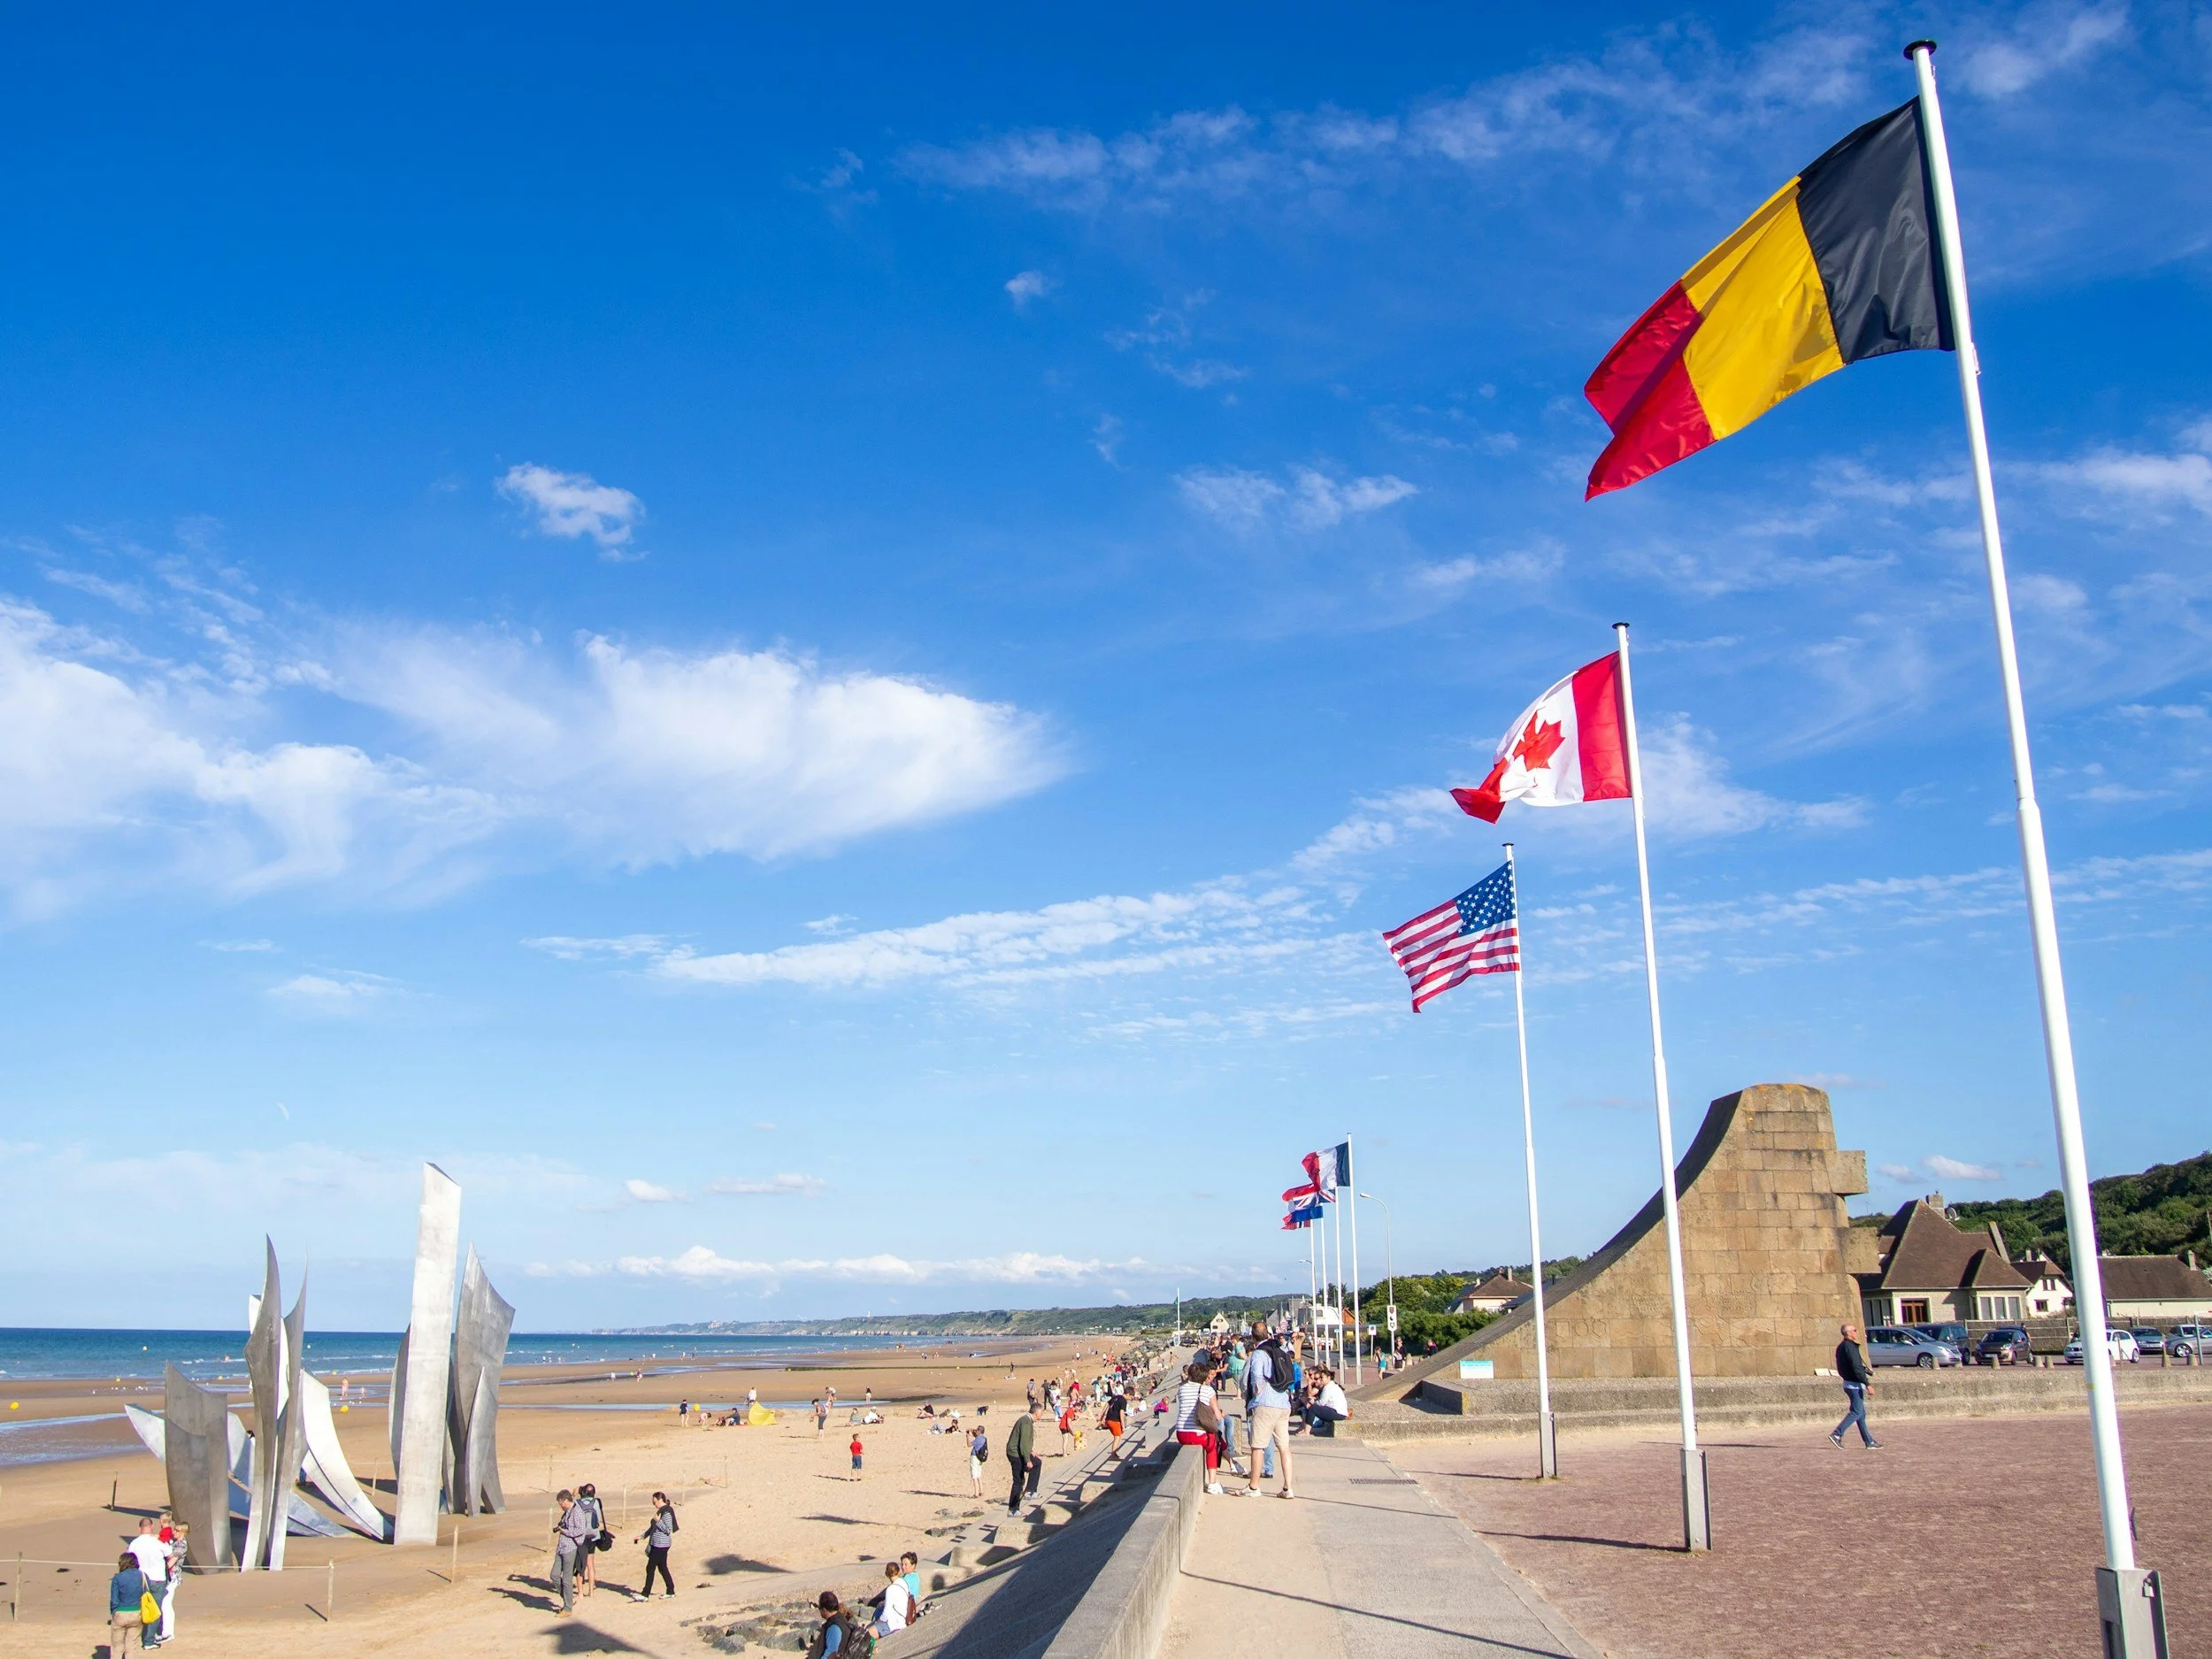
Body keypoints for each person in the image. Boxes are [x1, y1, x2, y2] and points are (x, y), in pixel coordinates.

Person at [1237, 1327, 1295, 1499]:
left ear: (1253, 1337)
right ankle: (1287, 1488)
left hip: (1265, 1404)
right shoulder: (1280, 1349)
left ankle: (1254, 1487)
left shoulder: (1259, 1354)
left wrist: (1254, 1396)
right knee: (1284, 1447)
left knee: (1258, 1447)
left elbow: (1255, 1378)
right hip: (1283, 1404)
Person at [1171, 1359, 1225, 1495]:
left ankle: (1212, 1482)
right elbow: (1218, 1416)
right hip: (1198, 1435)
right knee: (1213, 1446)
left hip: (1181, 1433)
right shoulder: (1208, 1390)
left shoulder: (1182, 1389)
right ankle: (1212, 1482)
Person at [1831, 1323, 1882, 1450]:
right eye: (1854, 1330)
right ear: (1848, 1333)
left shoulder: (1843, 1346)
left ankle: (1868, 1441)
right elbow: (1856, 1367)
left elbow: (1852, 1366)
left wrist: (1866, 1370)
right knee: (1857, 1412)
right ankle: (1837, 1434)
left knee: (1861, 1414)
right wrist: (1867, 1384)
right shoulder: (1849, 1347)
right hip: (1854, 1385)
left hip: (1849, 1383)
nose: (1856, 1332)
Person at [551, 1488, 592, 1615]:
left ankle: (568, 1608)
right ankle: (568, 1599)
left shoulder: (577, 1511)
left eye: (560, 1503)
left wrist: (565, 1531)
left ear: (565, 1501)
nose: (560, 1506)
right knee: (554, 1575)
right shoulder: (567, 1511)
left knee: (567, 1579)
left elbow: (580, 1531)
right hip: (561, 1547)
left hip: (571, 1548)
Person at [634, 1490, 679, 1601]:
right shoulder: (661, 1511)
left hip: (661, 1545)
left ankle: (645, 1594)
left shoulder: (667, 1512)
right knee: (662, 1567)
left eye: (654, 1502)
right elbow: (652, 1529)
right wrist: (641, 1537)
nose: (653, 1504)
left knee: (650, 1568)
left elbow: (668, 1530)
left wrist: (658, 1521)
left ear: (660, 1500)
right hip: (656, 1544)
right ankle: (670, 1590)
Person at [108, 1550, 151, 1658]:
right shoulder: (143, 1576)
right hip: (137, 1612)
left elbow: (114, 1600)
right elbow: (147, 1593)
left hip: (120, 1613)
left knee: (117, 1647)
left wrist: (114, 1611)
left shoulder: (117, 1578)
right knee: (132, 1646)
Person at [807, 1589, 869, 1659]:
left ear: (824, 1610)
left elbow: (830, 1654)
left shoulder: (834, 1627)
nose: (820, 1611)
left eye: (820, 1608)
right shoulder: (842, 1619)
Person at [1004, 1402, 1040, 1515]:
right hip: (1015, 1454)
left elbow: (1025, 1442)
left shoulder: (1028, 1421)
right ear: (1036, 1412)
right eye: (1041, 1413)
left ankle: (1030, 1491)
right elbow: (1023, 1443)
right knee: (1018, 1481)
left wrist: (1031, 1452)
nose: (1042, 1415)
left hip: (1020, 1452)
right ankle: (1013, 1509)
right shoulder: (1025, 1422)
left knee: (1037, 1463)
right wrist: (1028, 1460)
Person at [576, 1482, 606, 1596]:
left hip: (581, 1537)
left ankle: (580, 1593)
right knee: (591, 1565)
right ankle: (591, 1592)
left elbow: (569, 1511)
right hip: (593, 1536)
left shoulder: (577, 1503)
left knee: (580, 1566)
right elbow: (599, 1520)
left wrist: (574, 1495)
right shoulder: (596, 1503)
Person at [1303, 1366, 1350, 1438]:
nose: (1321, 1379)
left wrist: (1314, 1402)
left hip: (1338, 1413)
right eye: (1320, 1378)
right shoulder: (1331, 1385)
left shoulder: (1328, 1387)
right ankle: (1304, 1429)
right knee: (1312, 1407)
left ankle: (1306, 1432)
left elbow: (1322, 1403)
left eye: (1322, 1378)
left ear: (1328, 1378)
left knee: (1313, 1408)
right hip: (1339, 1412)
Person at [872, 1559, 914, 1636]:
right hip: (904, 1619)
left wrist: (877, 1622)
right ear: (898, 1571)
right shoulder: (904, 1582)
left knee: (866, 1633)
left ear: (886, 1574)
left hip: (892, 1624)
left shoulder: (890, 1589)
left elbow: (886, 1614)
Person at [967, 1423, 989, 1497]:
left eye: (977, 1430)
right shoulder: (983, 1438)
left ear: (979, 1431)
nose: (975, 1431)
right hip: (980, 1458)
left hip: (975, 1457)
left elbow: (969, 1444)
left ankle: (976, 1493)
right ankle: (981, 1491)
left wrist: (967, 1436)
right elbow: (976, 1434)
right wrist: (972, 1430)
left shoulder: (978, 1439)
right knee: (979, 1474)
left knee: (974, 1475)